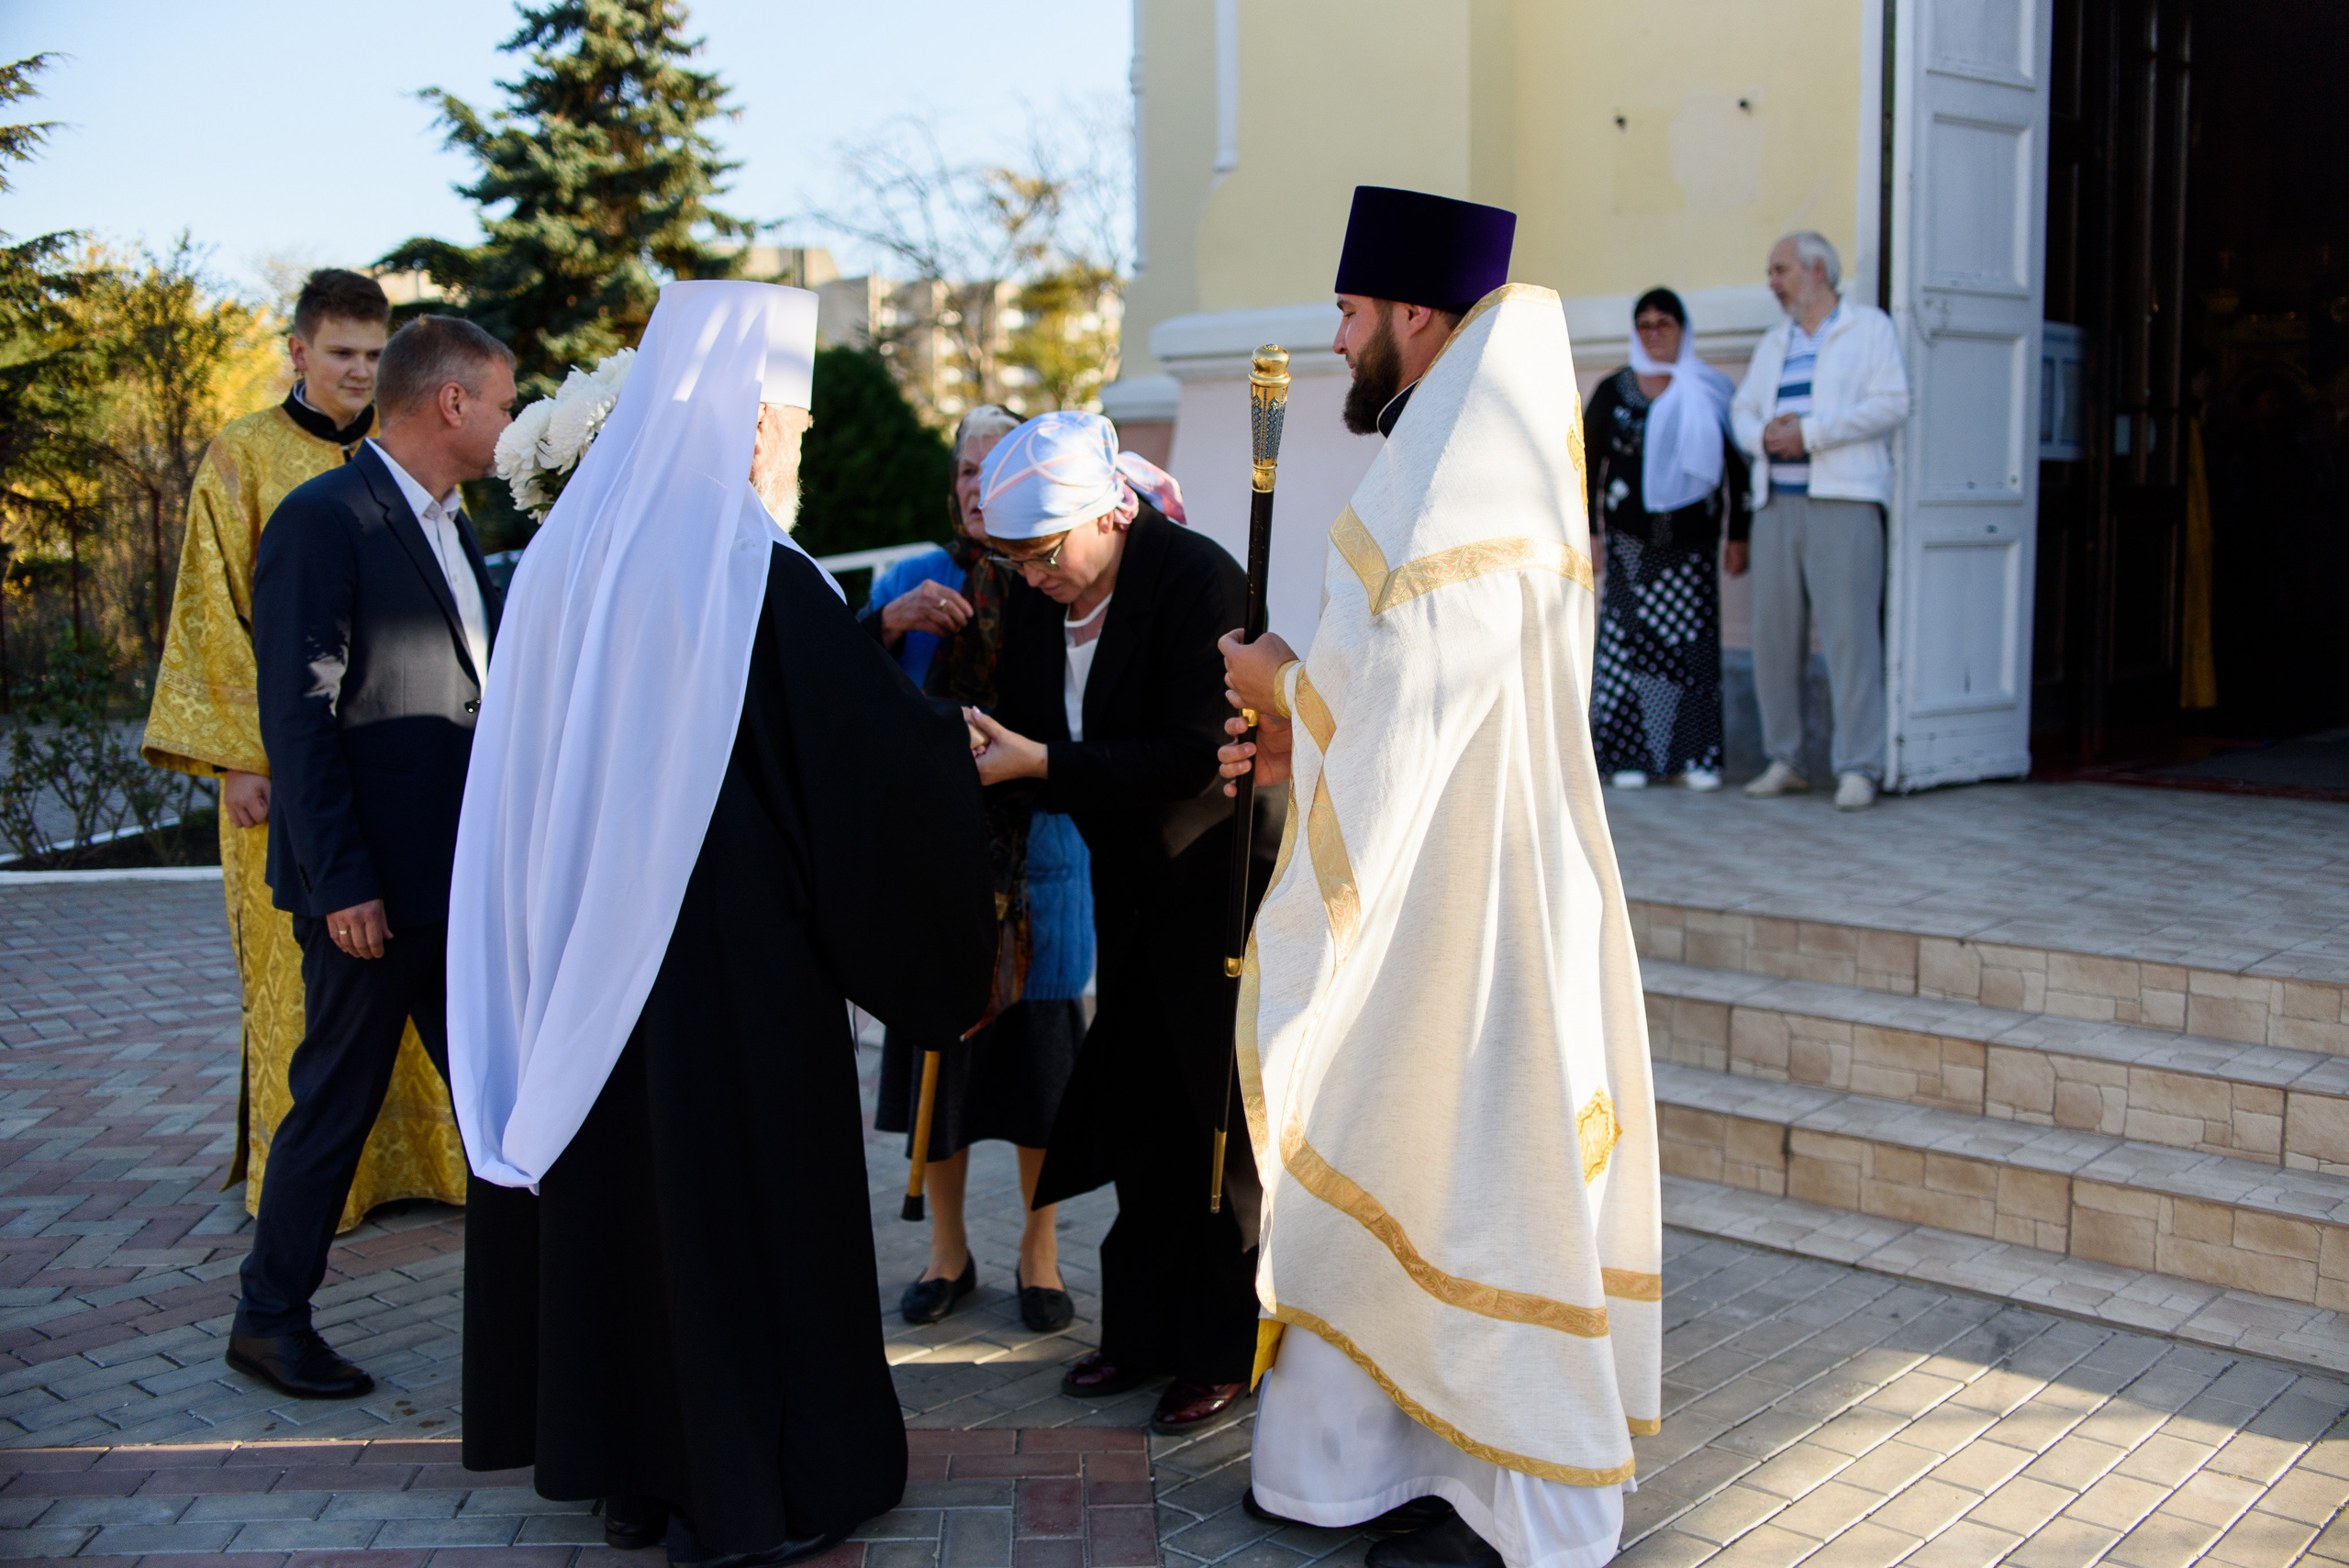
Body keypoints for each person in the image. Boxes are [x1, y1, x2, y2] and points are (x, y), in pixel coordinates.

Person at [450, 281, 994, 1566]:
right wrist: (951, 758)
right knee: (739, 1219)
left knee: (624, 1209)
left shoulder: (572, 554)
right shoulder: (749, 570)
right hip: (725, 981)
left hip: (582, 960)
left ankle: (631, 1471)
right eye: (792, 433)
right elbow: (863, 768)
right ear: (754, 424)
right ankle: (768, 1483)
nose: (788, 457)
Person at [1216, 184, 1660, 1568]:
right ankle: (1357, 1465)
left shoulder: (1471, 466)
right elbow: (1413, 706)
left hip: (1480, 910)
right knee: (1395, 1140)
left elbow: (1418, 684)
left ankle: (1522, 1505)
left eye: (1351, 309)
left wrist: (1281, 682)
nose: (1338, 334)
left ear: (1415, 310)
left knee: (1477, 1171)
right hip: (1433, 879)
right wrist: (1309, 745)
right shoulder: (1456, 445)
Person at [963, 411, 1276, 1437]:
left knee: (1212, 1118)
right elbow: (1027, 726)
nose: (1033, 576)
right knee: (1140, 1103)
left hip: (1212, 880)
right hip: (1124, 884)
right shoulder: (1033, 590)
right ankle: (1138, 1330)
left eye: (1045, 554)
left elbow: (1191, 754)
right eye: (1012, 559)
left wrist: (1040, 766)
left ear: (1110, 511)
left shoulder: (1197, 579)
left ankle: (1222, 1344)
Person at [141, 269, 466, 1235]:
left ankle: (430, 1164)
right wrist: (239, 756)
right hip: (289, 781)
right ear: (297, 352)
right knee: (318, 1001)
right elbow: (216, 608)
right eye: (341, 354)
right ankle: (306, 1225)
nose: (359, 372)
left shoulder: (405, 462)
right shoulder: (244, 457)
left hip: (405, 808)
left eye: (374, 355)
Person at [233, 315, 514, 1399]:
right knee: (336, 1101)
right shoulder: (323, 518)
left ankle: (540, 1300)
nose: (507, 419)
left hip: (451, 885)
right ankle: (267, 1319)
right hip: (370, 894)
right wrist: (343, 878)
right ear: (450, 403)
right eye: (499, 400)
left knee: (496, 1091)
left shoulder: (458, 527)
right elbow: (297, 716)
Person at [862, 405, 1091, 1333]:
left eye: (992, 468)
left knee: (1040, 1075)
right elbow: (847, 706)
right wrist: (886, 624)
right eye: (964, 469)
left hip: (1040, 861)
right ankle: (946, 1250)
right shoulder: (908, 578)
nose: (973, 485)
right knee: (939, 1070)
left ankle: (1039, 1254)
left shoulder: (1060, 582)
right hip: (937, 868)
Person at [1731, 231, 1910, 810]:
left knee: (1849, 637)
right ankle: (1786, 758)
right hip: (1776, 506)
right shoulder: (1775, 341)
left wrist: (1810, 433)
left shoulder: (1870, 329)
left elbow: (1892, 403)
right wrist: (1763, 436)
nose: (1772, 282)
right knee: (1773, 641)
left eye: (1779, 269)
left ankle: (1860, 764)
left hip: (1844, 503)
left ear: (1815, 269)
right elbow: (1742, 410)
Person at [1585, 288, 1750, 792]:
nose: (1653, 334)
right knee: (1627, 650)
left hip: (1691, 546)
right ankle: (1624, 756)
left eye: (1664, 324)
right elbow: (1584, 464)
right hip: (1630, 548)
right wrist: (1587, 532)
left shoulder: (1710, 389)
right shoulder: (1616, 390)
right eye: (1644, 325)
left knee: (1691, 651)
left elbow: (1737, 471)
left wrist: (1738, 536)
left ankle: (1694, 756)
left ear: (1683, 329)